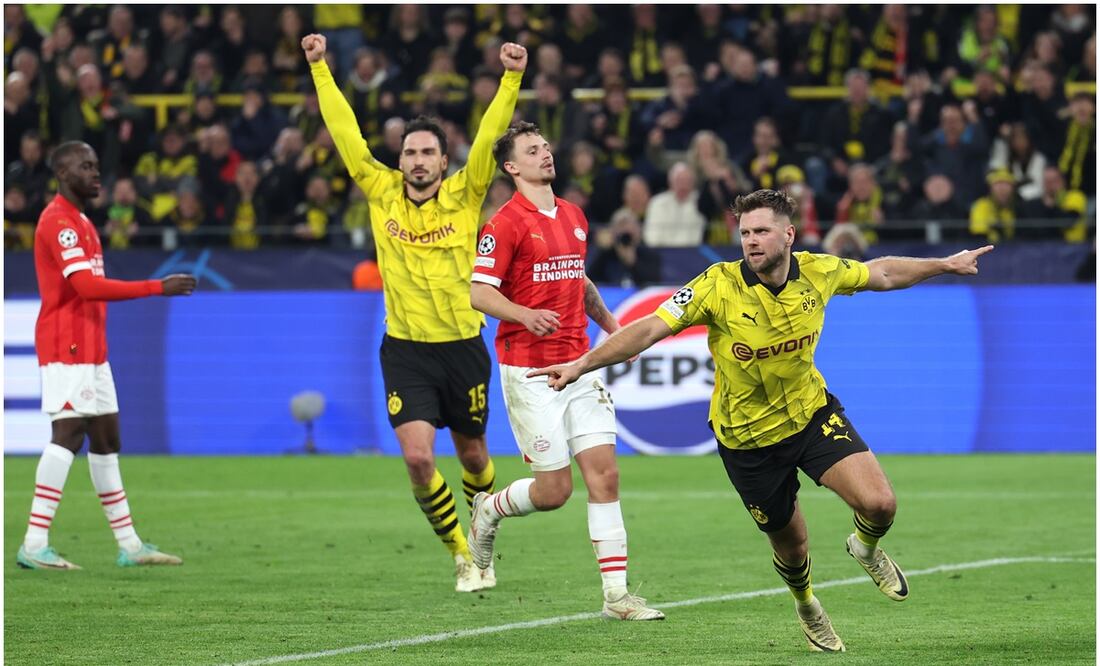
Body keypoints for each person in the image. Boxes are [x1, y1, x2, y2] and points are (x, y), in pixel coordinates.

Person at [529, 189, 994, 650]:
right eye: (745, 232)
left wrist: (945, 264)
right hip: (747, 439)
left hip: (810, 415)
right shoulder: (717, 285)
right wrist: (582, 364)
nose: (751, 241)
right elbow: (651, 327)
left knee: (881, 504)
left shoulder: (819, 271)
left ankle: (865, 548)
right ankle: (807, 606)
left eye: (762, 231)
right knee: (793, 546)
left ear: (788, 235)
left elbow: (883, 272)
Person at [303, 33, 527, 593]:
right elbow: (345, 133)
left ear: (444, 162)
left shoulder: (466, 193)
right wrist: (320, 67)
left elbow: (489, 136)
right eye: (410, 153)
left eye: (428, 153)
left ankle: (482, 538)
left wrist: (511, 78)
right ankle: (463, 557)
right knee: (419, 460)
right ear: (399, 159)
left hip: (463, 346)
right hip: (405, 350)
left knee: (474, 457)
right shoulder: (380, 191)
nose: (418, 161)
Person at [465, 121, 665, 622]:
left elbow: (580, 280)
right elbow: (480, 293)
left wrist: (615, 329)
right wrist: (523, 314)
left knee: (606, 476)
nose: (545, 154)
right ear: (512, 167)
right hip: (529, 372)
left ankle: (616, 597)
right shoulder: (504, 224)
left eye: (546, 146)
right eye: (532, 150)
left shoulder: (574, 215)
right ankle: (489, 509)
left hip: (578, 366)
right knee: (554, 492)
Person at [17, 141, 196, 570]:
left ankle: (129, 545)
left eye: (97, 165)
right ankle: (34, 544)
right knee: (69, 433)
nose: (96, 173)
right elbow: (87, 287)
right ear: (63, 174)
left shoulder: (83, 222)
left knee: (106, 438)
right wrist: (156, 287)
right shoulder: (59, 222)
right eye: (85, 166)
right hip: (67, 344)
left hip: (92, 348)